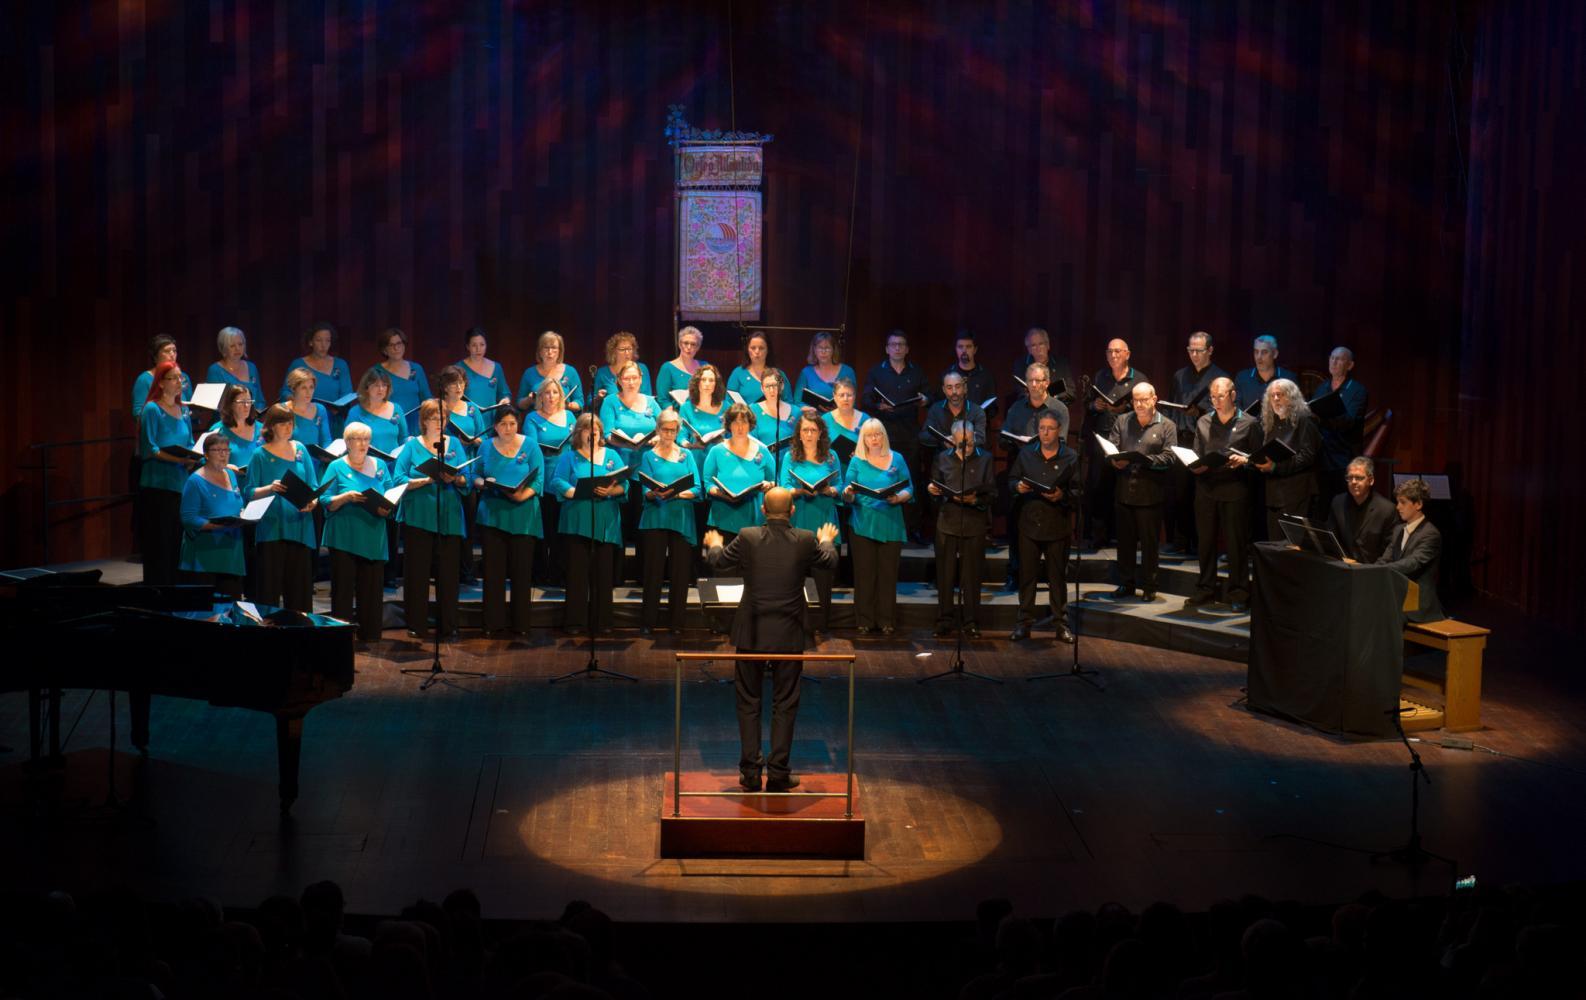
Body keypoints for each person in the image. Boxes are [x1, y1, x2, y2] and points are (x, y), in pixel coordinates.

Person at [703, 488, 839, 793]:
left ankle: (750, 773)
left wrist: (714, 544)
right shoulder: (805, 538)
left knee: (748, 702)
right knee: (785, 704)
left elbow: (720, 561)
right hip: (789, 634)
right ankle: (778, 774)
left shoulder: (748, 536)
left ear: (763, 510)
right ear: (792, 512)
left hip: (751, 633)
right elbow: (828, 562)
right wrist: (828, 541)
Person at [394, 400, 471, 639]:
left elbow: (467, 477)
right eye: (435, 418)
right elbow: (397, 479)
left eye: (443, 419)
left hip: (448, 517)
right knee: (417, 574)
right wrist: (425, 480)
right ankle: (416, 623)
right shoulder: (412, 446)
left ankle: (449, 624)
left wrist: (456, 480)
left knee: (448, 575)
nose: (440, 423)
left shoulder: (455, 444)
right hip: (419, 517)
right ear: (424, 421)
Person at [1186, 377, 1262, 610]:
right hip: (1207, 489)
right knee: (1206, 543)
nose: (1216, 401)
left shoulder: (1249, 423)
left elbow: (1260, 459)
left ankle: (1238, 593)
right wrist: (1195, 465)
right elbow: (1197, 454)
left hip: (1235, 489)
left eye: (1220, 396)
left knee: (1235, 545)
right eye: (1212, 397)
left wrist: (1246, 461)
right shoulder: (1203, 422)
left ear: (1232, 395)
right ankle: (1205, 589)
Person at [550, 413, 628, 634]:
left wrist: (612, 490)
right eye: (586, 428)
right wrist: (573, 491)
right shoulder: (570, 457)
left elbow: (625, 484)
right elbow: (556, 480)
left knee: (603, 575)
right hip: (577, 520)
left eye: (595, 428)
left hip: (605, 521)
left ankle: (603, 622)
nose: (592, 432)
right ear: (579, 433)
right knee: (577, 574)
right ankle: (575, 621)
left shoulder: (612, 455)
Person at [320, 422, 394, 642]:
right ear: (347, 442)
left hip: (373, 535)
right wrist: (346, 497)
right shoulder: (336, 466)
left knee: (371, 590)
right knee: (342, 591)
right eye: (357, 439)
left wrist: (385, 508)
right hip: (344, 537)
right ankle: (340, 637)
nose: (362, 444)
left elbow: (391, 496)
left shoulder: (380, 465)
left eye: (366, 439)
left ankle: (369, 634)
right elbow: (325, 500)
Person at [1008, 411, 1078, 642]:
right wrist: (1018, 487)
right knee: (1027, 576)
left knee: (1057, 577)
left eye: (1050, 428)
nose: (1045, 433)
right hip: (1029, 523)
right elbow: (1011, 481)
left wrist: (1063, 495)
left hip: (1057, 524)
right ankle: (1023, 623)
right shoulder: (1027, 454)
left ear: (1059, 430)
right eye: (1041, 428)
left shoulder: (1070, 456)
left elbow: (1079, 491)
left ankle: (1061, 624)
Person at [475, 406, 544, 637]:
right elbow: (475, 474)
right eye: (503, 424)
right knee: (493, 573)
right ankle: (492, 623)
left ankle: (521, 624)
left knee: (521, 573)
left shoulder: (530, 445)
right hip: (493, 514)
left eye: (512, 424)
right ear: (495, 426)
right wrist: (480, 483)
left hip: (523, 514)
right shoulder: (486, 446)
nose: (508, 428)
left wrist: (520, 496)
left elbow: (539, 478)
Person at [1001, 363, 1071, 587]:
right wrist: (1010, 439)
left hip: (1050, 474)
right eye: (1029, 380)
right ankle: (1015, 573)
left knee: (1052, 530)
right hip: (1022, 474)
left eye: (1038, 381)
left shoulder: (1059, 409)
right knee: (1016, 526)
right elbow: (1004, 437)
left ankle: (1054, 577)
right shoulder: (1016, 408)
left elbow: (1062, 444)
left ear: (1047, 383)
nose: (1033, 385)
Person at [246, 404, 319, 612]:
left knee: (299, 591)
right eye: (282, 423)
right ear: (271, 426)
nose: (288, 427)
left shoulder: (300, 450)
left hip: (300, 526)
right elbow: (249, 491)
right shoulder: (259, 455)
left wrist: (312, 502)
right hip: (272, 528)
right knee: (269, 589)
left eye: (290, 423)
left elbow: (313, 486)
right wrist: (270, 487)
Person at [843, 418, 913, 635]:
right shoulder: (857, 462)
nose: (874, 439)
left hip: (890, 522)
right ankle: (864, 620)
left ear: (884, 436)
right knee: (865, 574)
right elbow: (847, 491)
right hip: (863, 522)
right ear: (863, 438)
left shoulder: (897, 458)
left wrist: (899, 497)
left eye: (878, 434)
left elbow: (909, 487)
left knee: (887, 574)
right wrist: (848, 494)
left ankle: (886, 621)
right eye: (869, 435)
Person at [779, 412, 844, 638]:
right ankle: (796, 623)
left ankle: (821, 624)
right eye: (805, 430)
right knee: (794, 579)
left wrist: (830, 490)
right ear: (799, 432)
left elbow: (840, 486)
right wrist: (797, 490)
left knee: (823, 579)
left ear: (820, 433)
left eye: (813, 430)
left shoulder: (831, 456)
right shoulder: (790, 456)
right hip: (799, 522)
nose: (809, 434)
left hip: (824, 520)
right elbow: (783, 485)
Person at [1107, 382, 1175, 600]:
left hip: (1150, 494)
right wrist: (1114, 460)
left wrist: (1145, 461)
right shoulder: (1122, 420)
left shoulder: (1166, 425)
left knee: (1149, 543)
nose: (1139, 404)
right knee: (1125, 543)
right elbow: (1112, 447)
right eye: (1135, 400)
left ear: (1154, 399)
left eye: (1144, 399)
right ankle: (1126, 583)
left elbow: (1170, 457)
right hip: (1124, 491)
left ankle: (1149, 585)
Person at [929, 419, 997, 637]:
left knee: (972, 576)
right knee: (945, 575)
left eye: (968, 444)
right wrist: (933, 490)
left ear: (975, 439)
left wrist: (975, 500)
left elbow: (993, 494)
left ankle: (971, 621)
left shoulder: (985, 459)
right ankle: (944, 620)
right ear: (952, 441)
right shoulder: (942, 458)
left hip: (974, 522)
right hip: (948, 522)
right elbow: (934, 489)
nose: (965, 448)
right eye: (961, 444)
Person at [636, 409, 701, 634]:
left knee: (680, 572)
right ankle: (648, 621)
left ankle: (677, 623)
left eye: (673, 430)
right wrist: (655, 493)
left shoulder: (686, 455)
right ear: (658, 429)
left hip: (680, 516)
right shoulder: (648, 456)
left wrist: (677, 494)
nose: (669, 434)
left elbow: (697, 488)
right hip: (656, 515)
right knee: (653, 571)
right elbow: (644, 488)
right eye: (665, 429)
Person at [1165, 331, 1229, 553]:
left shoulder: (1219, 377)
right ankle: (1180, 541)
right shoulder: (1180, 375)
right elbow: (1172, 406)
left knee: (1202, 494)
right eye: (1190, 350)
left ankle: (1200, 543)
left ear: (1210, 350)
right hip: (1182, 438)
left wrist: (1199, 411)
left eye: (1198, 350)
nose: (1193, 354)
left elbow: (1223, 412)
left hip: (1206, 441)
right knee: (1179, 492)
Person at [861, 330, 927, 539]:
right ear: (887, 349)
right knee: (885, 479)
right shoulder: (876, 372)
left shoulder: (916, 372)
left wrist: (925, 399)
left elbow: (930, 395)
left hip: (909, 433)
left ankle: (912, 527)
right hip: (884, 434)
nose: (897, 348)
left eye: (901, 344)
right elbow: (866, 399)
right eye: (893, 344)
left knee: (912, 479)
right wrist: (879, 406)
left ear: (907, 349)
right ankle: (884, 524)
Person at [1084, 339, 1149, 549]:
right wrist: (1095, 405)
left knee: (1127, 489)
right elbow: (1089, 404)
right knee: (1099, 487)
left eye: (1118, 352)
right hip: (1103, 439)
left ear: (1128, 354)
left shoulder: (1138, 378)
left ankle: (1127, 537)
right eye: (1110, 351)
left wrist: (1125, 409)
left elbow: (1147, 409)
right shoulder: (1100, 376)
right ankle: (1098, 536)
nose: (1113, 355)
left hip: (1129, 439)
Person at [138, 360, 198, 584]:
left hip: (180, 484)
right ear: (161, 383)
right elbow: (150, 448)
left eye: (180, 378)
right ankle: (158, 591)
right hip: (158, 485)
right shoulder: (152, 409)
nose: (178, 383)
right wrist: (179, 459)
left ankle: (176, 589)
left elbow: (190, 441)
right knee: (159, 542)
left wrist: (192, 459)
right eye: (173, 378)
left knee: (176, 540)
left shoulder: (183, 410)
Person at [178, 432, 247, 599]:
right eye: (217, 450)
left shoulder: (230, 474)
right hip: (206, 553)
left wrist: (244, 514)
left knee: (230, 607)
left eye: (226, 450)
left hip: (231, 552)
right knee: (204, 610)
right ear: (206, 454)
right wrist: (216, 526)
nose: (223, 454)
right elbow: (188, 518)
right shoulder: (195, 481)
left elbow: (237, 502)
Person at [1253, 378, 1320, 541]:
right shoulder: (1271, 422)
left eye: (1280, 395)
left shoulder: (1304, 419)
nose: (1275, 399)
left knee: (1293, 546)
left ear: (1291, 397)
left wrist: (1276, 467)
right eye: (1272, 395)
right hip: (1274, 493)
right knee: (1275, 545)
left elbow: (1308, 456)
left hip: (1297, 492)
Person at [702, 403, 777, 546]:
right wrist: (719, 493)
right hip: (722, 517)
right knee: (722, 564)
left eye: (744, 422)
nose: (740, 427)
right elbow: (707, 482)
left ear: (750, 425)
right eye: (735, 422)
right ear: (729, 425)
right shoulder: (717, 451)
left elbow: (774, 481)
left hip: (753, 518)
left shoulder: (763, 451)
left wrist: (769, 485)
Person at [526, 377, 575, 585]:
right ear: (540, 396)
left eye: (555, 392)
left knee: (561, 528)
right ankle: (540, 572)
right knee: (543, 527)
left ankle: (559, 572)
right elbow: (530, 447)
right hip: (543, 474)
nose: (551, 396)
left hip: (565, 475)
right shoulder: (532, 418)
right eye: (547, 392)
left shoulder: (570, 415)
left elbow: (576, 444)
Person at [1376, 478, 1444, 623]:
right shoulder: (1398, 530)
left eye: (1403, 502)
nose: (1397, 507)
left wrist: (1380, 570)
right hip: (1397, 597)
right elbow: (1385, 559)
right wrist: (1369, 569)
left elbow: (1412, 563)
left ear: (1418, 504)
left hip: (1418, 606)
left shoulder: (1431, 534)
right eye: (1397, 502)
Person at [1310, 347, 1370, 507]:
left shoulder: (1357, 390)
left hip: (1345, 459)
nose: (1334, 362)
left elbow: (1349, 421)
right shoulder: (1322, 388)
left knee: (1343, 507)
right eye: (1332, 358)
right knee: (1322, 507)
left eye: (1340, 359)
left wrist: (1321, 418)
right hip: (1322, 459)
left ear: (1350, 365)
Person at [279, 322, 354, 432]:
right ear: (311, 342)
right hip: (306, 417)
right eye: (319, 340)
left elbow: (347, 394)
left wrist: (338, 408)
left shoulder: (340, 364)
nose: (323, 345)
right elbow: (285, 392)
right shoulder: (298, 364)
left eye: (327, 341)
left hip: (335, 419)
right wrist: (298, 402)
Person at [1327, 456, 1397, 564]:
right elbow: (1331, 538)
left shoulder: (1387, 509)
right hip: (1343, 567)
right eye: (1350, 478)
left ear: (1371, 480)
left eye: (1359, 478)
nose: (1353, 482)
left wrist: (1371, 570)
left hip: (1372, 571)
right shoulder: (1338, 502)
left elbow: (1390, 549)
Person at [376, 327, 432, 434]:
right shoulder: (376, 372)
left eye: (399, 343)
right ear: (384, 350)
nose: (397, 348)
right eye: (391, 345)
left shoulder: (416, 369)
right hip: (390, 426)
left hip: (415, 426)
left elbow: (426, 398)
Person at [516, 329, 586, 414]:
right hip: (537, 422)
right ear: (540, 351)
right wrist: (529, 400)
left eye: (553, 348)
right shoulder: (529, 373)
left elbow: (580, 402)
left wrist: (567, 405)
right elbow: (519, 404)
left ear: (560, 351)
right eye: (546, 348)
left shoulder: (571, 372)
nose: (550, 352)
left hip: (563, 421)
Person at [346, 367, 405, 459]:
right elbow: (348, 442)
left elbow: (403, 438)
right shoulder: (355, 412)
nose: (381, 389)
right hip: (366, 464)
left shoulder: (397, 409)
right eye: (376, 385)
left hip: (394, 464)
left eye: (384, 385)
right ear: (366, 388)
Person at [791, 330, 857, 411]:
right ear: (814, 350)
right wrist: (808, 409)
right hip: (814, 419)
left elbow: (854, 403)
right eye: (820, 348)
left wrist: (839, 409)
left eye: (827, 348)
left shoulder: (847, 371)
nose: (823, 352)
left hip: (840, 418)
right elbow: (797, 402)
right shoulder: (806, 373)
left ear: (833, 350)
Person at [939, 330, 998, 418]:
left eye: (968, 347)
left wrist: (980, 416)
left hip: (979, 428)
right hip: (952, 427)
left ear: (975, 350)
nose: (964, 350)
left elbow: (993, 407)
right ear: (956, 349)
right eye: (960, 347)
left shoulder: (986, 375)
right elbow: (939, 406)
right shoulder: (947, 375)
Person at [1233, 334, 1298, 412]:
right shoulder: (1242, 378)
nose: (1259, 357)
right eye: (1256, 352)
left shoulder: (1288, 378)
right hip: (1249, 423)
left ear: (1275, 354)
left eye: (1264, 352)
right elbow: (1236, 411)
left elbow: (1296, 409)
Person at [1010, 327, 1075, 405]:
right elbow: (1020, 393)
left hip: (1056, 410)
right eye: (1033, 346)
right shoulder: (1021, 365)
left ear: (1048, 345)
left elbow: (1071, 392)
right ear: (1029, 350)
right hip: (1031, 412)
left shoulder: (1061, 364)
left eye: (1041, 344)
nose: (1038, 349)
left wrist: (1051, 398)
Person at [132, 334, 192, 419]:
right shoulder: (144, 379)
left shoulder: (184, 377)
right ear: (155, 356)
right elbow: (138, 414)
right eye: (167, 351)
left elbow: (189, 406)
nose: (172, 354)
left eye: (174, 351)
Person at [206, 326, 264, 411]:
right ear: (223, 348)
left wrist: (256, 416)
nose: (237, 349)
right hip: (226, 422)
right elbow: (215, 406)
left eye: (240, 344)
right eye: (232, 346)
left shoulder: (252, 367)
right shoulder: (215, 370)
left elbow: (259, 400)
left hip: (251, 421)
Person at [284, 367, 333, 465]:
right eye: (303, 388)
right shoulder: (283, 410)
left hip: (317, 464)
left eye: (311, 387)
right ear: (293, 388)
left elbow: (326, 440)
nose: (308, 392)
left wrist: (329, 454)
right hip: (293, 464)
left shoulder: (320, 409)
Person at [456, 326, 512, 409]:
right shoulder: (458, 368)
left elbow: (505, 393)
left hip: (491, 419)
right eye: (474, 345)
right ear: (468, 347)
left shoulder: (496, 368)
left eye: (482, 345)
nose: (478, 349)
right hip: (468, 419)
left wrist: (505, 400)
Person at [210, 383, 261, 471]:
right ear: (230, 404)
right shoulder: (218, 430)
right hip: (229, 481)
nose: (247, 406)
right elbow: (205, 460)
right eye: (242, 402)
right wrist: (226, 467)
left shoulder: (261, 428)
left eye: (249, 401)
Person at [593, 331, 653, 401]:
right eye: (622, 349)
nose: (627, 353)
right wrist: (598, 398)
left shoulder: (642, 368)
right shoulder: (602, 373)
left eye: (629, 349)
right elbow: (590, 402)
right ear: (613, 352)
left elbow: (648, 396)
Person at [654, 325, 704, 404]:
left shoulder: (704, 367)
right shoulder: (667, 368)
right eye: (686, 343)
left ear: (698, 347)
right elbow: (663, 400)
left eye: (693, 344)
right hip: (677, 414)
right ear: (680, 344)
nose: (689, 347)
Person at [751, 369, 795, 456]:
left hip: (790, 464)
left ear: (782, 386)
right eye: (767, 386)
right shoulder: (752, 410)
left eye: (775, 385)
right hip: (762, 464)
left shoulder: (796, 412)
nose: (771, 390)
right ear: (762, 388)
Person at [726, 330, 777, 405]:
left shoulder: (778, 374)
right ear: (747, 350)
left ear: (768, 350)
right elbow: (728, 402)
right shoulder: (738, 373)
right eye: (753, 348)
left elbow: (789, 403)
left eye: (761, 348)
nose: (757, 351)